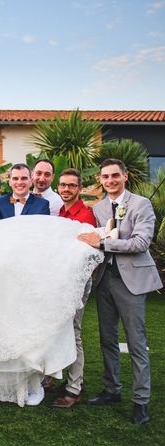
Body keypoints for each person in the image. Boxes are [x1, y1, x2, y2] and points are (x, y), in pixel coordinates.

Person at [0, 214, 103, 408]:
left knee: (30, 330)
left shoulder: (45, 215)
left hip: (29, 278)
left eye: (22, 179)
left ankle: (47, 385)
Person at [77, 158, 162, 425]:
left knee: (136, 342)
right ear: (100, 180)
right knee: (107, 339)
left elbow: (141, 242)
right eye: (105, 176)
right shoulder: (100, 208)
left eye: (115, 175)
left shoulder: (141, 204)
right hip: (105, 280)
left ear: (124, 176)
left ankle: (141, 401)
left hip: (131, 280)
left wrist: (102, 243)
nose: (110, 180)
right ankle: (112, 390)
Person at [50, 168, 97, 409]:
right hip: (60, 281)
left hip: (77, 281)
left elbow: (81, 254)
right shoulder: (60, 212)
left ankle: (74, 388)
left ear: (79, 189)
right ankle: (67, 378)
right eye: (63, 185)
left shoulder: (85, 216)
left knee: (74, 331)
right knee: (61, 330)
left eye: (71, 185)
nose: (66, 189)